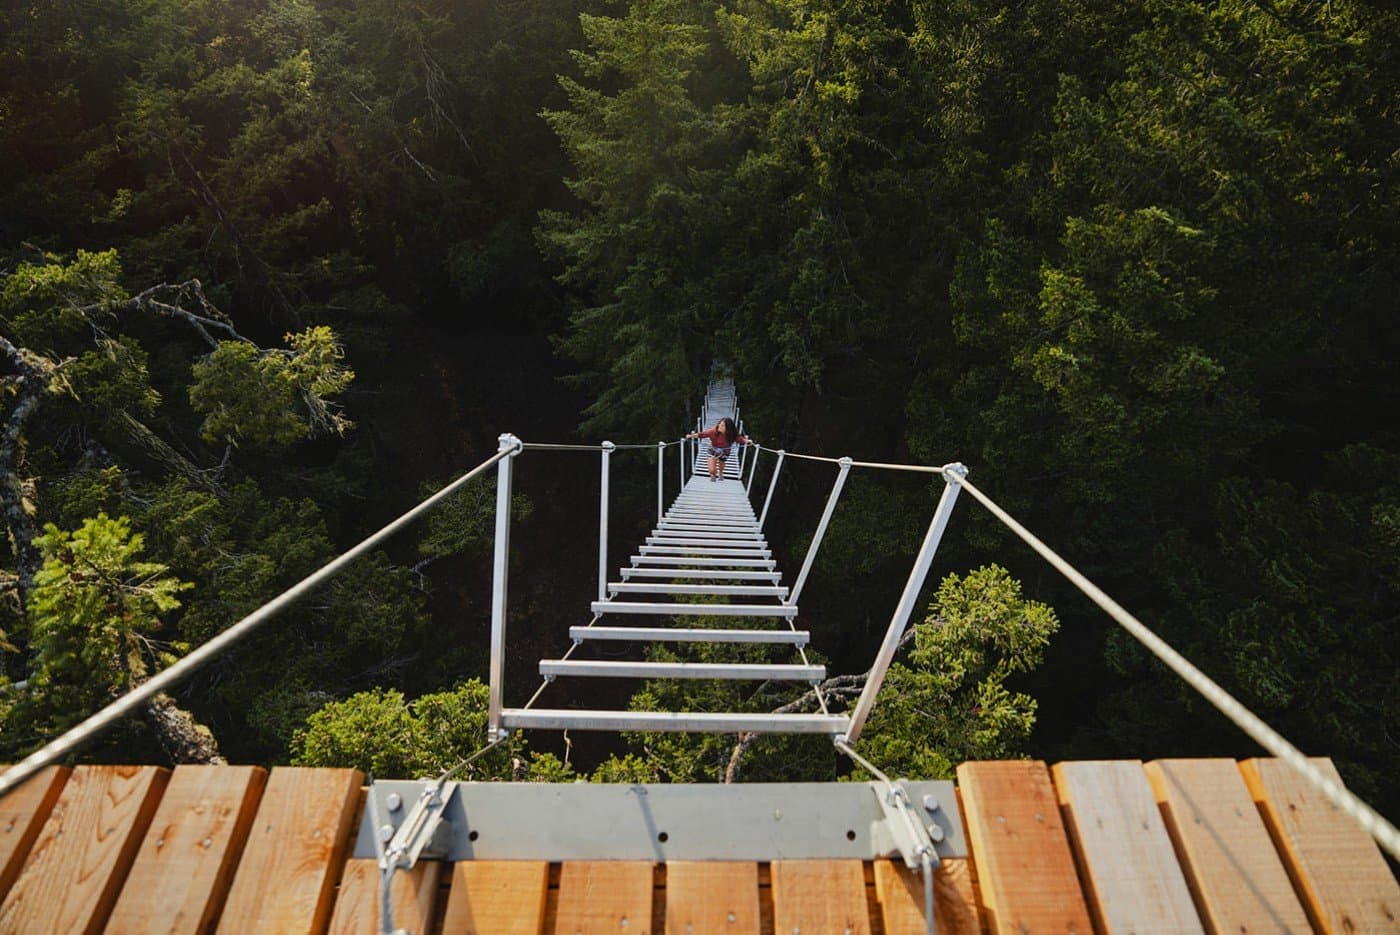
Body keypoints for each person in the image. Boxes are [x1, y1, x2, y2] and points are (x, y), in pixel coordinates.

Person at [686, 417, 749, 481]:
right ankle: (713, 474)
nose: (719, 426)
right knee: (712, 470)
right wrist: (691, 436)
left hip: (725, 451)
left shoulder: (732, 434)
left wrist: (747, 441)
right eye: (719, 424)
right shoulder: (713, 431)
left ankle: (720, 473)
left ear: (728, 428)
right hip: (713, 450)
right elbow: (702, 434)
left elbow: (740, 439)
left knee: (721, 463)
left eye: (722, 425)